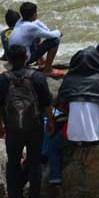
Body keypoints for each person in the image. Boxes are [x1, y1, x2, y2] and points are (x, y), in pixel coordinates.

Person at [50, 46, 99, 185]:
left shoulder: (69, 79)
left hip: (70, 135)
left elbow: (59, 104)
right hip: (97, 133)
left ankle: (55, 176)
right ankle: (96, 140)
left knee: (54, 147)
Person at [0, 44, 54, 198]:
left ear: (9, 60)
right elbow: (46, 102)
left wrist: (1, 125)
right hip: (35, 126)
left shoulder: (3, 79)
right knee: (34, 162)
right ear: (26, 58)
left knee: (13, 163)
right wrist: (50, 121)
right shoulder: (37, 76)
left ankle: (14, 195)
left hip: (12, 127)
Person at [8, 2, 62, 77]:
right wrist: (59, 32)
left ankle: (40, 61)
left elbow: (37, 23)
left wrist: (46, 29)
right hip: (24, 59)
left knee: (35, 36)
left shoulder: (19, 21)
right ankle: (48, 70)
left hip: (14, 58)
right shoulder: (31, 27)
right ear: (34, 14)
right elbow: (51, 35)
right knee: (55, 40)